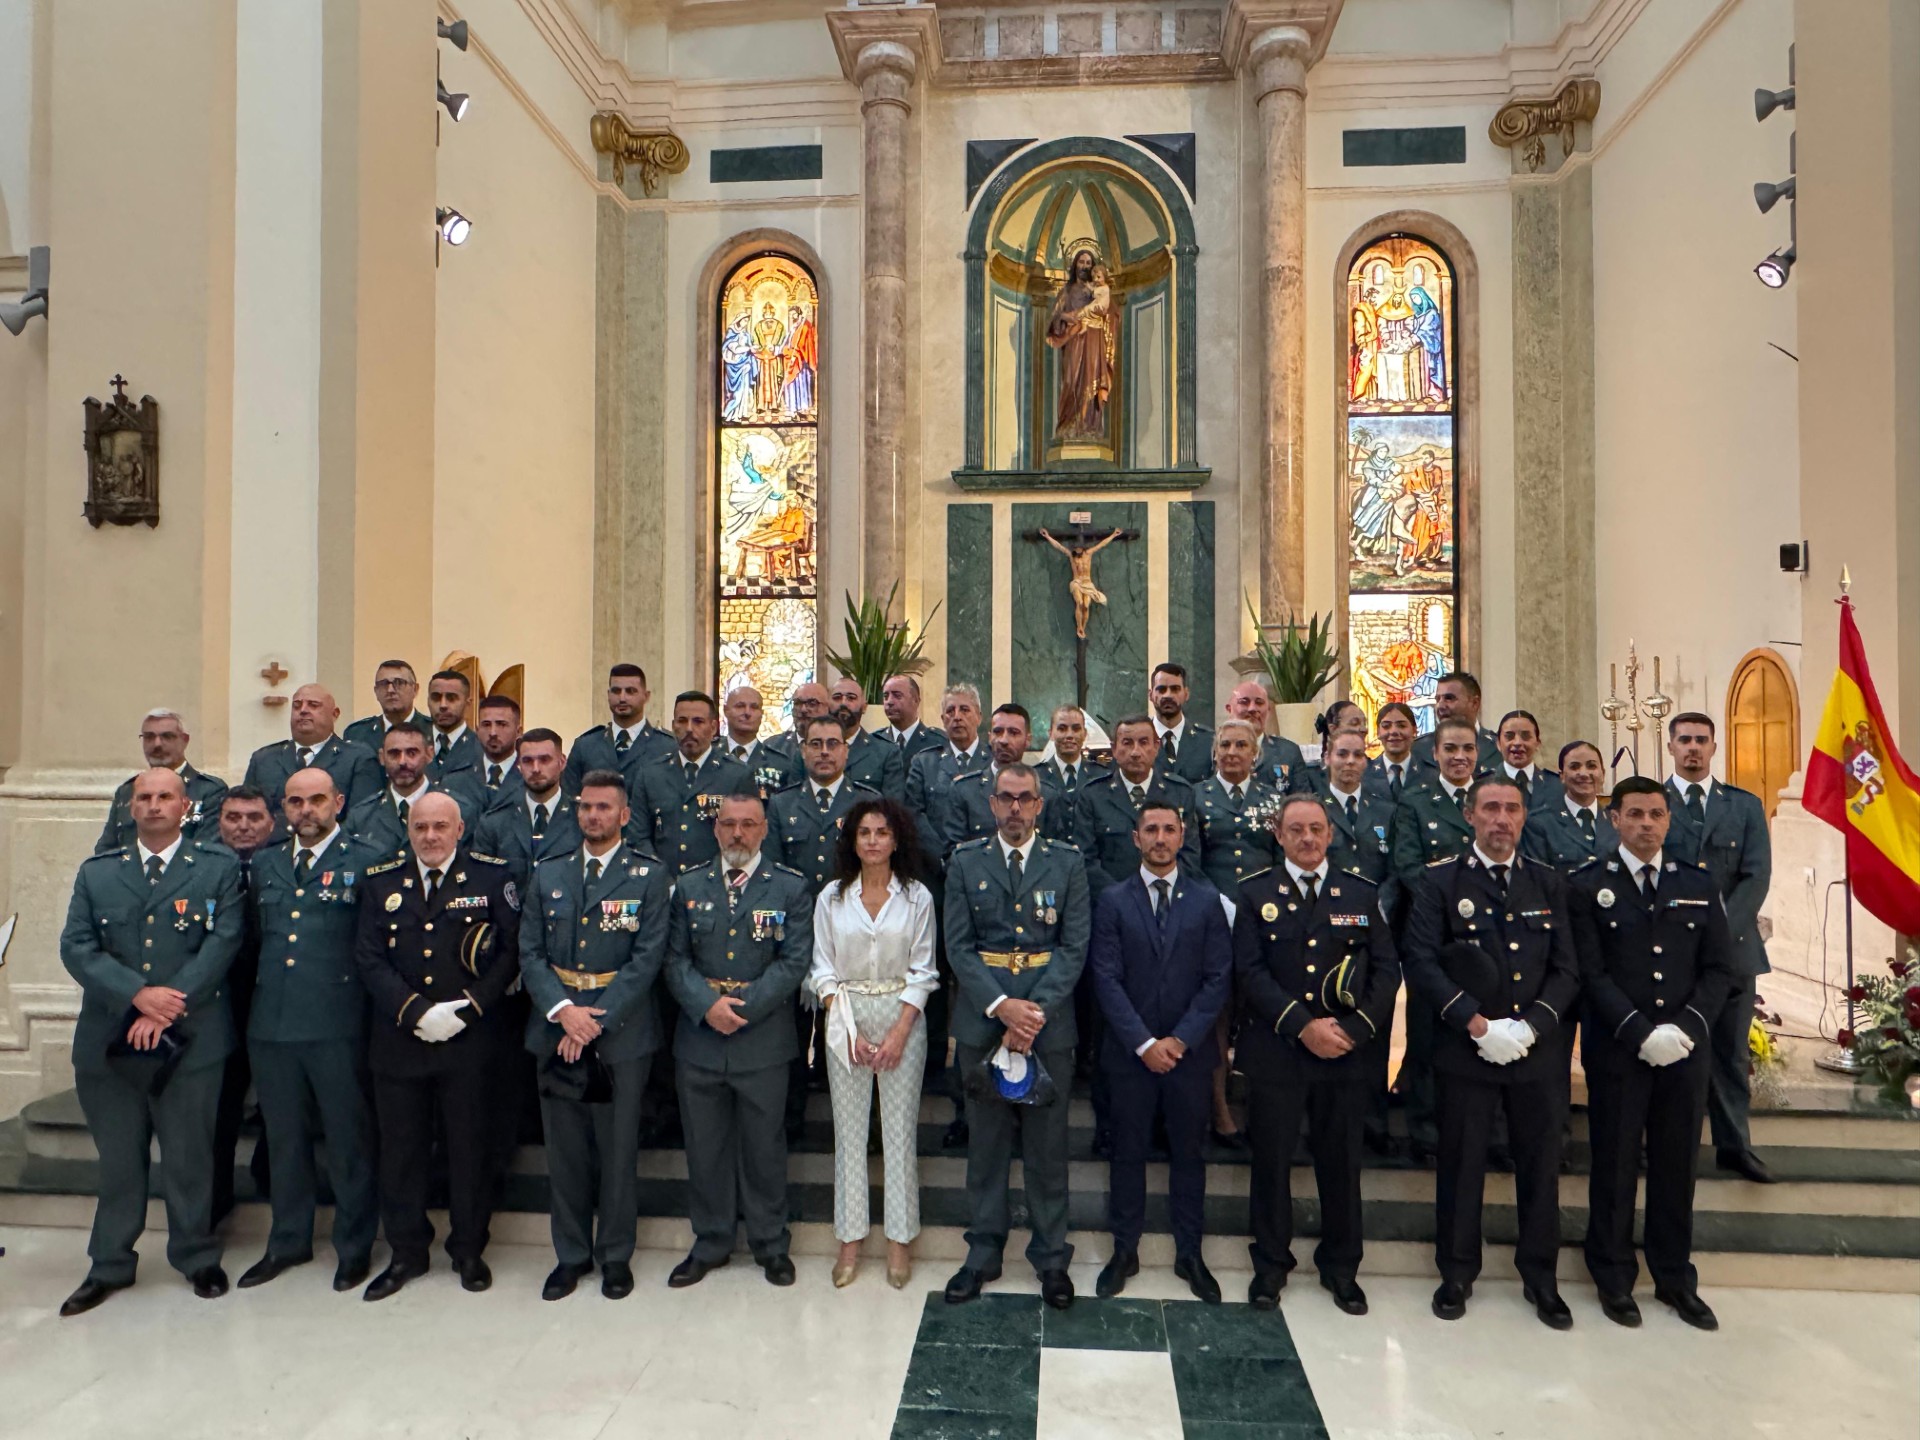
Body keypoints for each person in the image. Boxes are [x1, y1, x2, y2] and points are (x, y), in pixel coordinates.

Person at [56, 767, 245, 1316]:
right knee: (119, 1159)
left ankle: (196, 1254)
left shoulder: (217, 868)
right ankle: (109, 1263)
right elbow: (77, 947)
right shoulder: (98, 874)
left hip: (193, 1038)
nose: (155, 805)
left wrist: (168, 1005)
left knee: (189, 1156)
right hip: (109, 1041)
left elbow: (223, 943)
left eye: (166, 796)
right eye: (145, 797)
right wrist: (139, 995)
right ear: (130, 808)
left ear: (187, 806)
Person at [1403, 775, 1580, 1329]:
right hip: (1466, 1049)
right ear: (1470, 815)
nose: (1501, 818)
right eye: (1490, 808)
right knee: (1461, 1163)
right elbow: (1423, 961)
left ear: (1524, 817)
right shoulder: (1438, 882)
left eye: (1511, 809)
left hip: (1537, 1052)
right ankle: (1456, 1273)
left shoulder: (1549, 884)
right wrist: (1475, 1023)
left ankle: (1541, 1277)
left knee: (1539, 1165)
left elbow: (1567, 967)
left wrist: (1533, 1027)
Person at [1570, 776, 1735, 1330]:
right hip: (1619, 1048)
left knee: (1676, 1164)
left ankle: (1673, 1277)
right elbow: (1589, 972)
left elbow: (1719, 969)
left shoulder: (1697, 883)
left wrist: (1685, 1028)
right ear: (1613, 818)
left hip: (1685, 1051)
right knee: (1614, 1163)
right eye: (1635, 813)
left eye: (1656, 814)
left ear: (1669, 821)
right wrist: (1640, 1032)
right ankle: (1613, 1276)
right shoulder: (1588, 884)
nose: (1646, 824)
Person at [1235, 794, 1400, 1316]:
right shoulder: (1253, 893)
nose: (1308, 839)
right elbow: (1249, 972)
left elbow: (1385, 971)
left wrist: (1354, 1030)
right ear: (1278, 836)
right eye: (1296, 830)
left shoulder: (1360, 892)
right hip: (1279, 1051)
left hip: (1347, 1055)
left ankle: (1342, 1266)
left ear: (1331, 835)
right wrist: (1303, 1027)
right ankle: (1270, 1265)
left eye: (1317, 829)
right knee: (1271, 1162)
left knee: (1341, 1162)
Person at [354, 792, 521, 1301]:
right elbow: (368, 957)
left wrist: (466, 1008)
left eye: (440, 827)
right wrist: (417, 1012)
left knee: (469, 1148)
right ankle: (407, 1251)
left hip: (469, 1042)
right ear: (409, 829)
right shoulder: (381, 881)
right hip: (401, 1041)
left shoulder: (493, 878)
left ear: (460, 828)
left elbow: (511, 953)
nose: (430, 836)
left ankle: (469, 1249)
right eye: (421, 827)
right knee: (400, 1151)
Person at [519, 769, 671, 1302]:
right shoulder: (549, 873)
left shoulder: (649, 876)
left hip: (621, 1034)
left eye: (605, 808)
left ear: (624, 815)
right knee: (565, 1153)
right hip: (556, 1029)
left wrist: (594, 1020)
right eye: (585, 807)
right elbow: (531, 954)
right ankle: (571, 1255)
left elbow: (647, 958)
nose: (593, 816)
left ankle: (614, 1256)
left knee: (616, 1150)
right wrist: (565, 1013)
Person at [943, 763, 1091, 1310]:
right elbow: (957, 946)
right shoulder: (965, 861)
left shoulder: (1067, 862)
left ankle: (1052, 1259)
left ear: (1039, 804)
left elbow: (1074, 947)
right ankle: (982, 1253)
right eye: (1005, 798)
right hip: (985, 1022)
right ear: (991, 803)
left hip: (1047, 1026)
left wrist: (1032, 1015)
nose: (1014, 809)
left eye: (1024, 799)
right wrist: (1004, 1007)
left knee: (1047, 1150)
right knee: (986, 1147)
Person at [235, 768, 381, 1294]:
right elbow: (253, 940)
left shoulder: (365, 861)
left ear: (338, 802)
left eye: (316, 800)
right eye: (295, 801)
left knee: (348, 1141)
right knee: (284, 1141)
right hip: (271, 1024)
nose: (306, 810)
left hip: (338, 1022)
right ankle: (288, 1239)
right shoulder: (267, 863)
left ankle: (354, 1245)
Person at [663, 794, 813, 1288]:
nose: (737, 834)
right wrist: (708, 1007)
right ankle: (710, 1242)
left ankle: (771, 1244)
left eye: (748, 825)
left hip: (762, 1040)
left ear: (765, 830)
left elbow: (794, 962)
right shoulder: (687, 885)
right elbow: (674, 959)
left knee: (765, 1148)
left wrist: (742, 1009)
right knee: (705, 1148)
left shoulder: (789, 888)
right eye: (728, 824)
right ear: (715, 829)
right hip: (700, 1038)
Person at [1090, 801, 1233, 1304]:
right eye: (1150, 829)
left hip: (1188, 1056)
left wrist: (1179, 1040)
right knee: (1126, 1153)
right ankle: (1124, 1249)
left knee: (1189, 1155)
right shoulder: (1111, 900)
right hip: (1130, 1055)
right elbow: (1104, 977)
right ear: (1136, 838)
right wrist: (1145, 1042)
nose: (1160, 837)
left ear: (1182, 838)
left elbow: (1218, 978)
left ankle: (1190, 1252)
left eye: (1169, 829)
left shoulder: (1206, 899)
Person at [811, 796, 937, 1290]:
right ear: (852, 841)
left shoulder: (917, 897)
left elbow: (925, 969)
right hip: (846, 1017)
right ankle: (849, 1242)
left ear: (896, 839)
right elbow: (821, 968)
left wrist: (899, 1032)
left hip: (902, 1014)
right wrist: (848, 1029)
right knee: (850, 1135)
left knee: (899, 1134)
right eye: (864, 833)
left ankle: (900, 1244)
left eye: (881, 832)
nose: (872, 841)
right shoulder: (832, 897)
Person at [1073, 715, 1202, 1154]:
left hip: (1173, 923)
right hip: (1114, 924)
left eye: (1143, 742)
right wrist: (1125, 900)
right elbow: (1085, 859)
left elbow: (1195, 857)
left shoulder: (1180, 794)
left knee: (1167, 1017)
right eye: (1125, 742)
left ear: (1155, 747)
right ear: (1113, 747)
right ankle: (1108, 1123)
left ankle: (1166, 1121)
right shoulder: (1092, 795)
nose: (1134, 751)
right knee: (1110, 1027)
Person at [1663, 712, 1776, 1185]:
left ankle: (1735, 1146)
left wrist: (1718, 930)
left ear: (1715, 748)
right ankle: (1672, 1150)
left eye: (1701, 741)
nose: (1693, 748)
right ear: (1670, 746)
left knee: (1730, 1053)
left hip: (1732, 951)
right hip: (1667, 952)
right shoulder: (1650, 802)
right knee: (1673, 1053)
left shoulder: (1744, 806)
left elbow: (1756, 875)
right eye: (1684, 739)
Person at [765, 715, 884, 1138]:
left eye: (833, 743)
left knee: (856, 1026)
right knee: (794, 1034)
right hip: (798, 931)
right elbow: (774, 872)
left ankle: (861, 1127)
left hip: (851, 932)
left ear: (846, 751)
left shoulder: (866, 803)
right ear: (803, 749)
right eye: (815, 744)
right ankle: (791, 1121)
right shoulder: (780, 804)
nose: (824, 752)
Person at [1387, 716, 1483, 1162]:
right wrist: (1447, 903)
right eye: (1451, 749)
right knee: (1425, 1032)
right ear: (1436, 754)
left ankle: (1481, 1129)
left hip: (1483, 933)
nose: (1459, 757)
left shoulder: (1488, 798)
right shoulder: (1414, 801)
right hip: (1428, 930)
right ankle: (1424, 1130)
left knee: (1478, 1028)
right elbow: (1407, 864)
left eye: (1467, 749)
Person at [1190, 719, 1280, 1149]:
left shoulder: (1273, 799)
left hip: (1265, 920)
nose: (1231, 752)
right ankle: (1219, 1110)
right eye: (1224, 744)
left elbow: (1283, 860)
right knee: (1218, 1017)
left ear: (1255, 752)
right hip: (1213, 918)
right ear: (1214, 752)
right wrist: (1216, 902)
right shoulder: (1196, 797)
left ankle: (1264, 1110)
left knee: (1261, 1013)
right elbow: (1190, 860)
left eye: (1241, 745)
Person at [209, 788, 276, 1223]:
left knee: (279, 1102)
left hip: (275, 1001)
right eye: (233, 817)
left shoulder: (284, 866)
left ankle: (270, 1179)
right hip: (219, 1005)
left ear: (272, 823)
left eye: (254, 817)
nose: (244, 826)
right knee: (220, 1106)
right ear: (219, 823)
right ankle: (215, 1200)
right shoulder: (204, 870)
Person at [632, 691, 758, 872]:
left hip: (715, 885)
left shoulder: (737, 775)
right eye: (682, 721)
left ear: (713, 727)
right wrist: (659, 878)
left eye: (698, 722)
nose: (689, 729)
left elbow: (747, 836)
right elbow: (639, 837)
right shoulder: (650, 774)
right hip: (662, 885)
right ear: (673, 726)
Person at [243, 683, 383, 838]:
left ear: (335, 714)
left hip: (335, 855)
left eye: (313, 705)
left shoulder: (357, 758)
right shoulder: (264, 760)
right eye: (297, 706)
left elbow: (362, 820)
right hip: (272, 853)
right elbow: (249, 815)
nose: (303, 710)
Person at [97, 707, 228, 853]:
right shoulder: (127, 790)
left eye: (167, 736)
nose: (157, 744)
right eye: (149, 737)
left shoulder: (210, 791)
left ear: (185, 740)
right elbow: (106, 850)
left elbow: (207, 852)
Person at [345, 721, 483, 858]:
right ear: (382, 758)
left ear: (429, 755)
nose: (402, 762)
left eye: (411, 753)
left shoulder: (460, 810)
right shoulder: (361, 816)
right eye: (394, 754)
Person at [946, 704, 1067, 849]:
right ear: (990, 737)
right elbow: (952, 854)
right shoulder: (964, 791)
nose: (1003, 740)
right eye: (998, 732)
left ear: (1028, 739)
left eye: (1013, 733)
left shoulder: (1047, 794)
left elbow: (1056, 856)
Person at [473, 728, 582, 885]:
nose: (536, 769)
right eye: (528, 761)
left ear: (562, 762)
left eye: (544, 760)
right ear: (519, 766)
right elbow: (481, 882)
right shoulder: (495, 823)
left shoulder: (581, 818)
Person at [904, 683, 989, 863]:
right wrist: (943, 855)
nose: (957, 717)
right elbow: (914, 815)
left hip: (984, 865)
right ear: (943, 719)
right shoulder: (924, 763)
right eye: (950, 711)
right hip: (935, 864)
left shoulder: (994, 762)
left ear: (979, 717)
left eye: (965, 710)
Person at [564, 663, 675, 794]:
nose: (622, 698)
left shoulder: (667, 747)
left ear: (646, 696)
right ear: (608, 694)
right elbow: (569, 799)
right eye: (616, 691)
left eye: (630, 691)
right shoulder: (585, 746)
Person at [1523, 740, 1618, 871]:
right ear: (1561, 776)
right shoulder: (1539, 823)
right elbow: (1538, 880)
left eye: (1591, 766)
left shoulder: (1617, 822)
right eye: (1574, 767)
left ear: (1603, 774)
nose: (1584, 774)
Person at [824, 676, 906, 800]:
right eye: (837, 697)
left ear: (864, 707)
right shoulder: (812, 749)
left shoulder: (886, 753)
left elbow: (892, 808)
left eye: (851, 698)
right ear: (827, 705)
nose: (843, 703)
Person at [1226, 679, 1307, 793]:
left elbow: (1302, 802)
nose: (1252, 708)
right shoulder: (1213, 750)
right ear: (1229, 709)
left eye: (1259, 703)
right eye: (1244, 702)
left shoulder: (1288, 752)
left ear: (1268, 710)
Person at [1409, 671, 1499, 773]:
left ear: (1474, 703)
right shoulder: (1418, 749)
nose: (1441, 706)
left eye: (1449, 698)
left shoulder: (1498, 747)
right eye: (1438, 699)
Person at [1149, 662, 1214, 784]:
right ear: (1150, 695)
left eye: (1175, 689)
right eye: (1161, 689)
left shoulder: (1208, 741)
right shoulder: (1137, 741)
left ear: (1186, 694)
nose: (1168, 695)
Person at [720, 685, 792, 795]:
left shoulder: (780, 763)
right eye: (740, 706)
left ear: (761, 714)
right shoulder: (708, 754)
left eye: (754, 707)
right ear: (726, 710)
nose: (747, 713)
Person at [343, 660, 429, 752]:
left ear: (415, 689)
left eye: (399, 683)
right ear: (376, 692)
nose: (390, 690)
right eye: (383, 684)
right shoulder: (357, 734)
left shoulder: (433, 731)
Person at [1035, 703, 1108, 798]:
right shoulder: (1036, 777)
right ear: (1051, 734)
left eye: (1076, 729)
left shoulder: (1102, 776)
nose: (1069, 735)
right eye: (1062, 729)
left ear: (1085, 734)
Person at [1495, 710, 1562, 812]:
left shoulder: (1556, 786)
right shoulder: (1483, 785)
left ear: (1537, 743)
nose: (1517, 742)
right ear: (1498, 744)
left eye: (1525, 736)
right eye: (1509, 736)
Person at [423, 669, 482, 782]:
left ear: (468, 703)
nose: (443, 705)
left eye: (451, 698)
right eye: (436, 697)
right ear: (428, 701)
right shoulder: (414, 744)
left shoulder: (480, 749)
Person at [879, 673, 946, 762]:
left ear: (916, 700)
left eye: (897, 696)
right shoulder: (875, 742)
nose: (889, 702)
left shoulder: (938, 743)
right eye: (885, 696)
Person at [1369, 701, 1423, 797]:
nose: (1393, 731)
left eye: (1401, 726)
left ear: (1414, 730)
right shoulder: (1364, 776)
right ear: (1378, 732)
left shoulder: (1431, 775)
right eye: (1386, 726)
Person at [474, 694, 524, 797]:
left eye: (502, 724)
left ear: (518, 731)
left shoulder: (529, 773)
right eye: (486, 725)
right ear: (477, 730)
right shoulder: (462, 774)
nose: (493, 733)